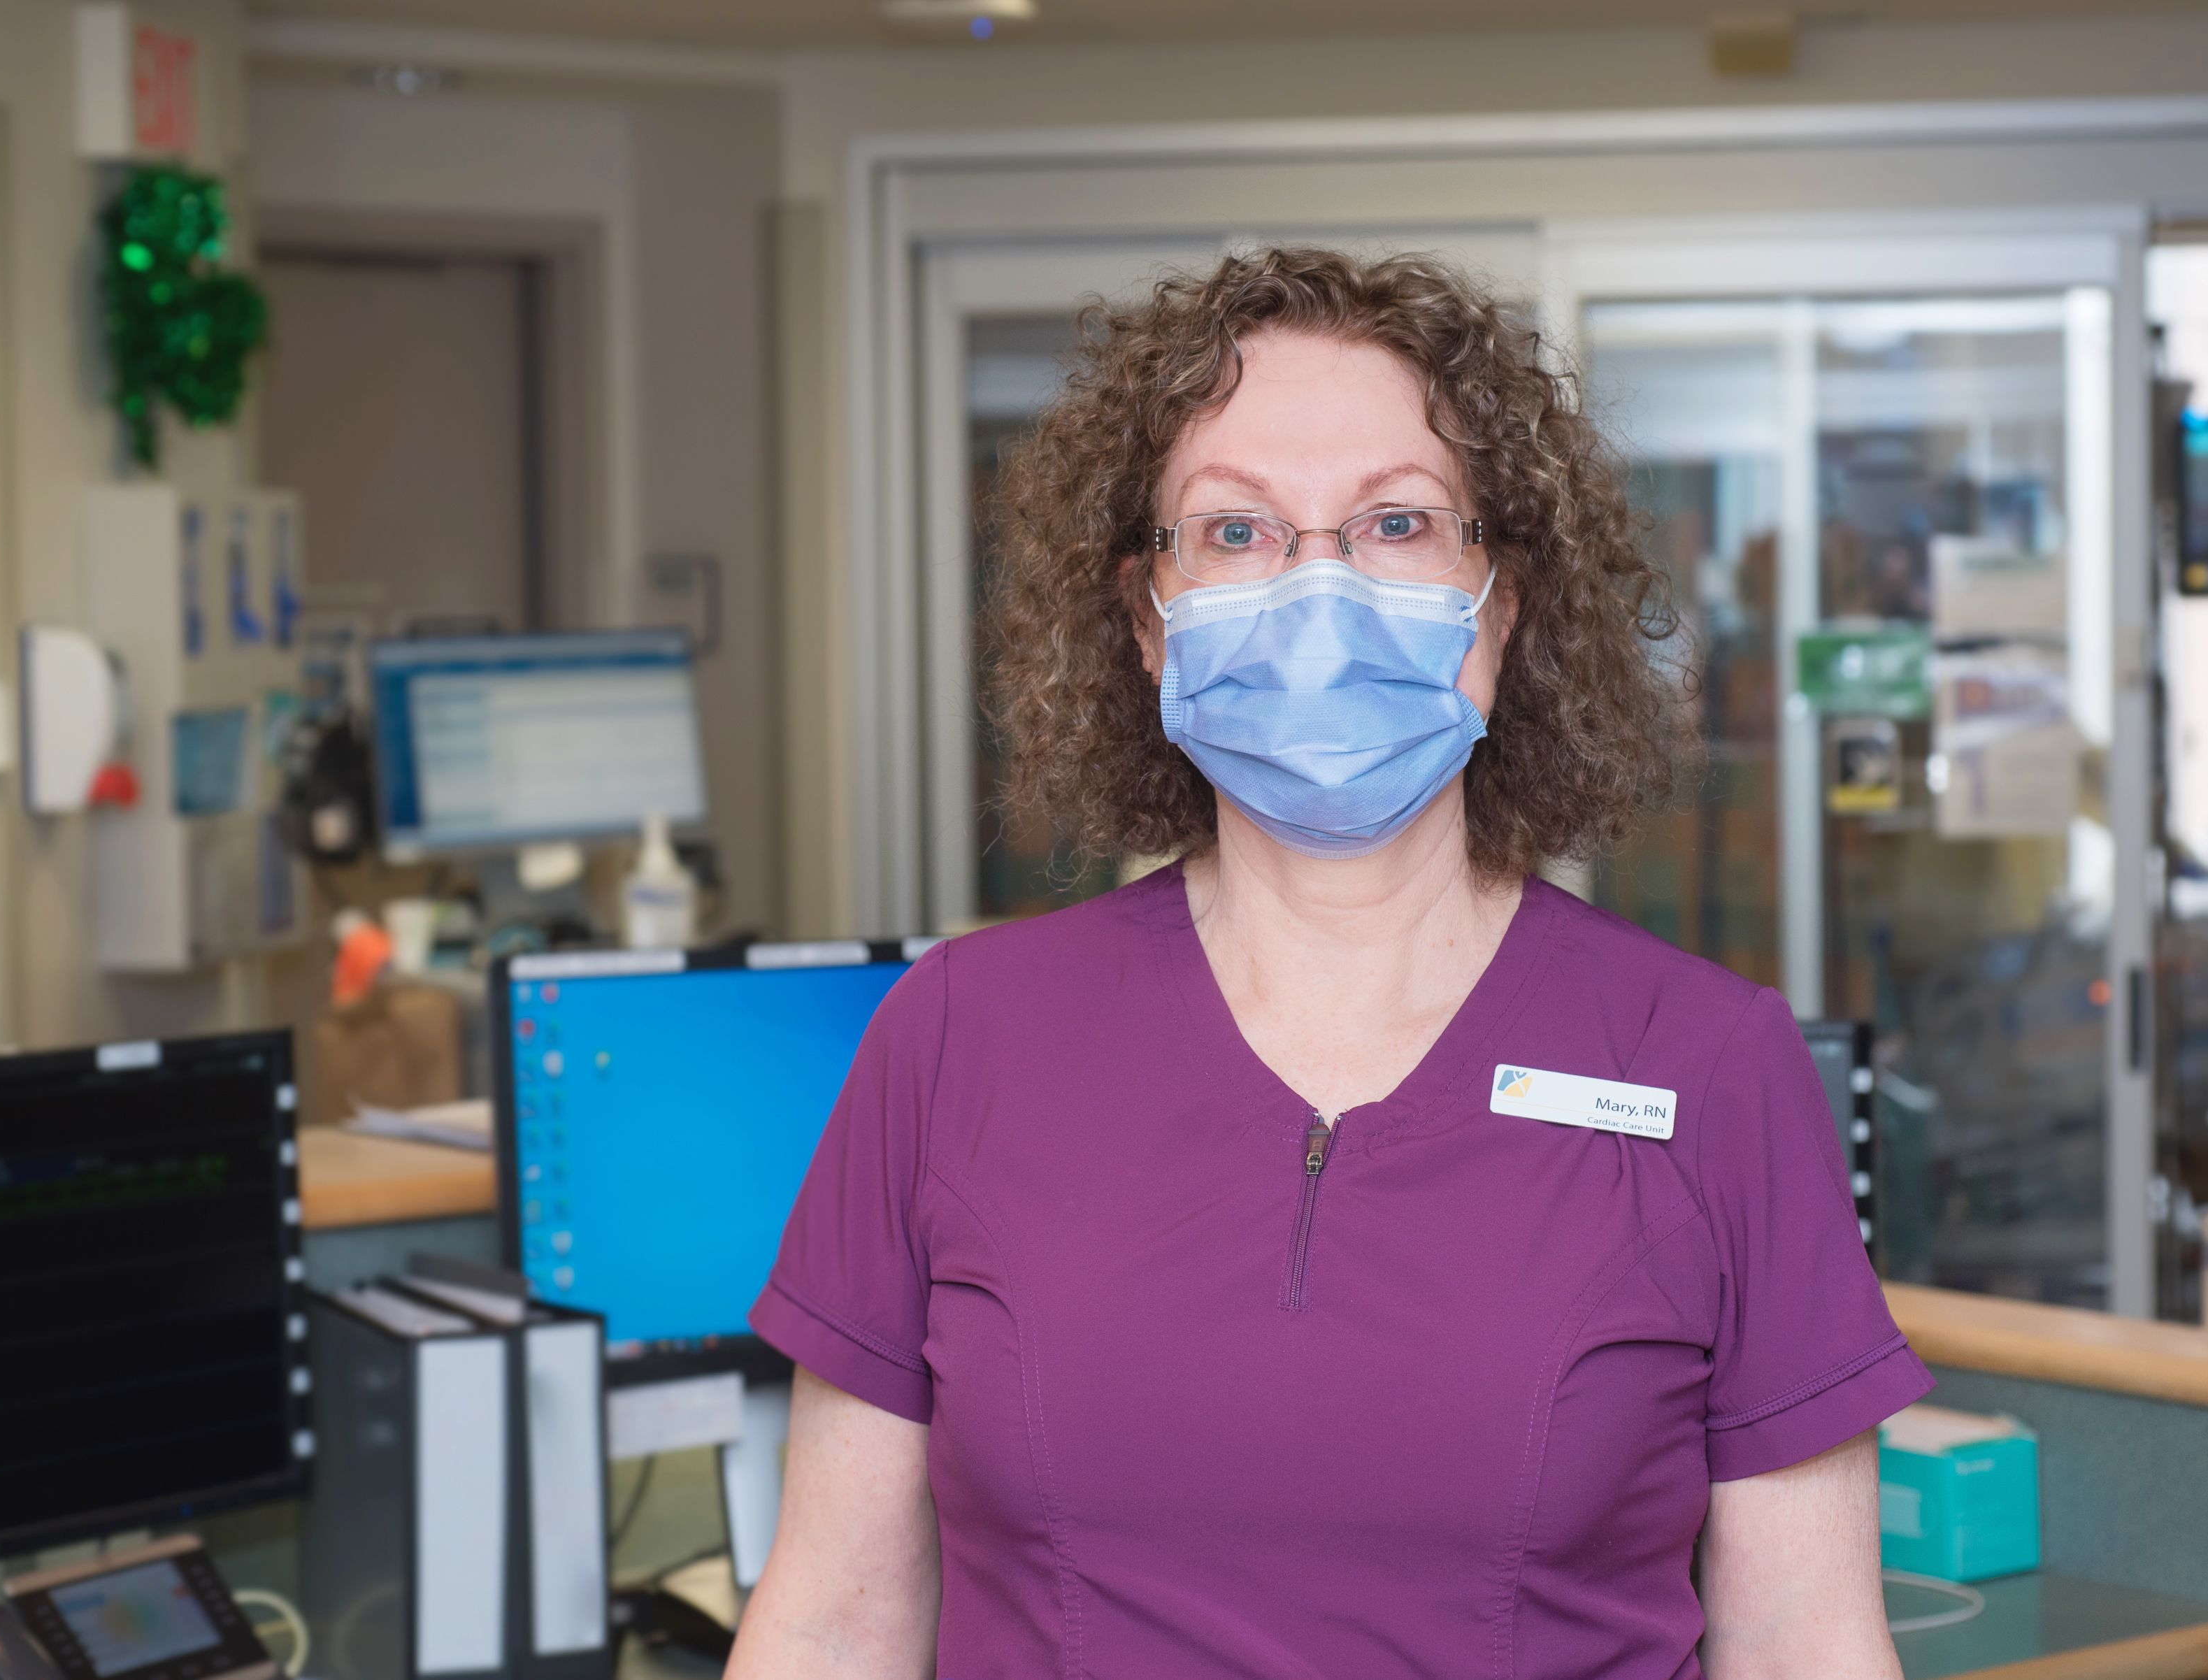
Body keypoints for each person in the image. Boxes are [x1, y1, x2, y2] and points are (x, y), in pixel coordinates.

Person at [733, 248, 1930, 1679]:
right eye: (1236, 532)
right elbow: (832, 1622)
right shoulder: (957, 1037)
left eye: (1396, 522)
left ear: (1502, 601)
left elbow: (1806, 1644)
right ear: (1142, 613)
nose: (1316, 591)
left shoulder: (1705, 1061)